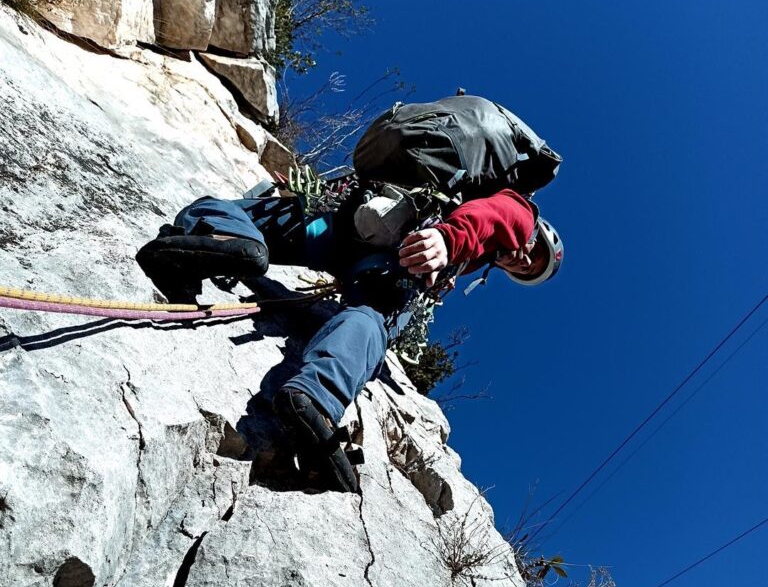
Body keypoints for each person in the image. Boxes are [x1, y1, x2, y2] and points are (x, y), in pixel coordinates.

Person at [136, 182, 564, 493]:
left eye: (526, 270)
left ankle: (228, 235)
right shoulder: (519, 211)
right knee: (370, 319)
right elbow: (492, 216)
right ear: (537, 233)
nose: (523, 259)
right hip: (386, 258)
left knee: (258, 222)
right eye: (534, 253)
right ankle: (317, 398)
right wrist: (447, 240)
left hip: (357, 230)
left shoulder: (478, 254)